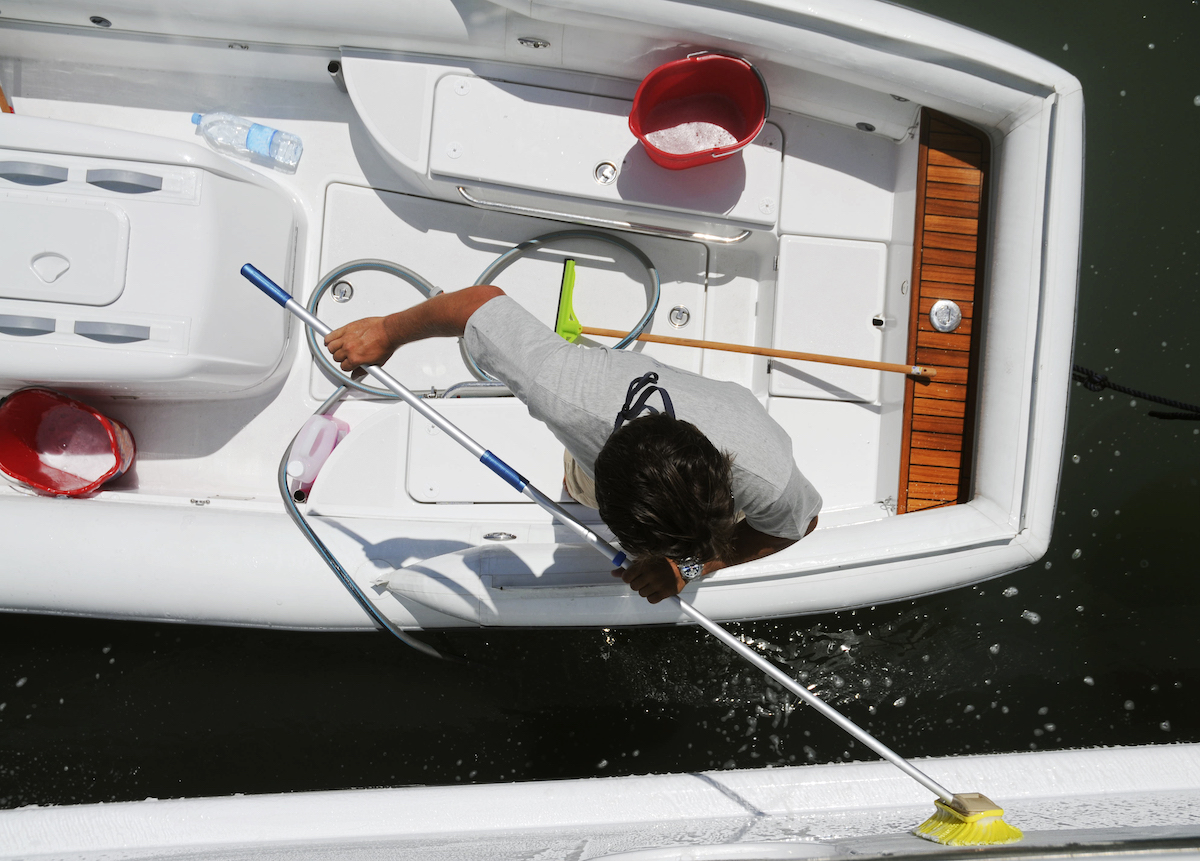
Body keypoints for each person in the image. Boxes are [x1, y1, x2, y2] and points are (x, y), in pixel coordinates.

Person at [324, 285, 821, 605]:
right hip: (596, 456)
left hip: (728, 468)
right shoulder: (566, 393)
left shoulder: (768, 479)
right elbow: (476, 304)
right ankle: (580, 483)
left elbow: (799, 526)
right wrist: (387, 330)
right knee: (575, 481)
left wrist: (691, 565)